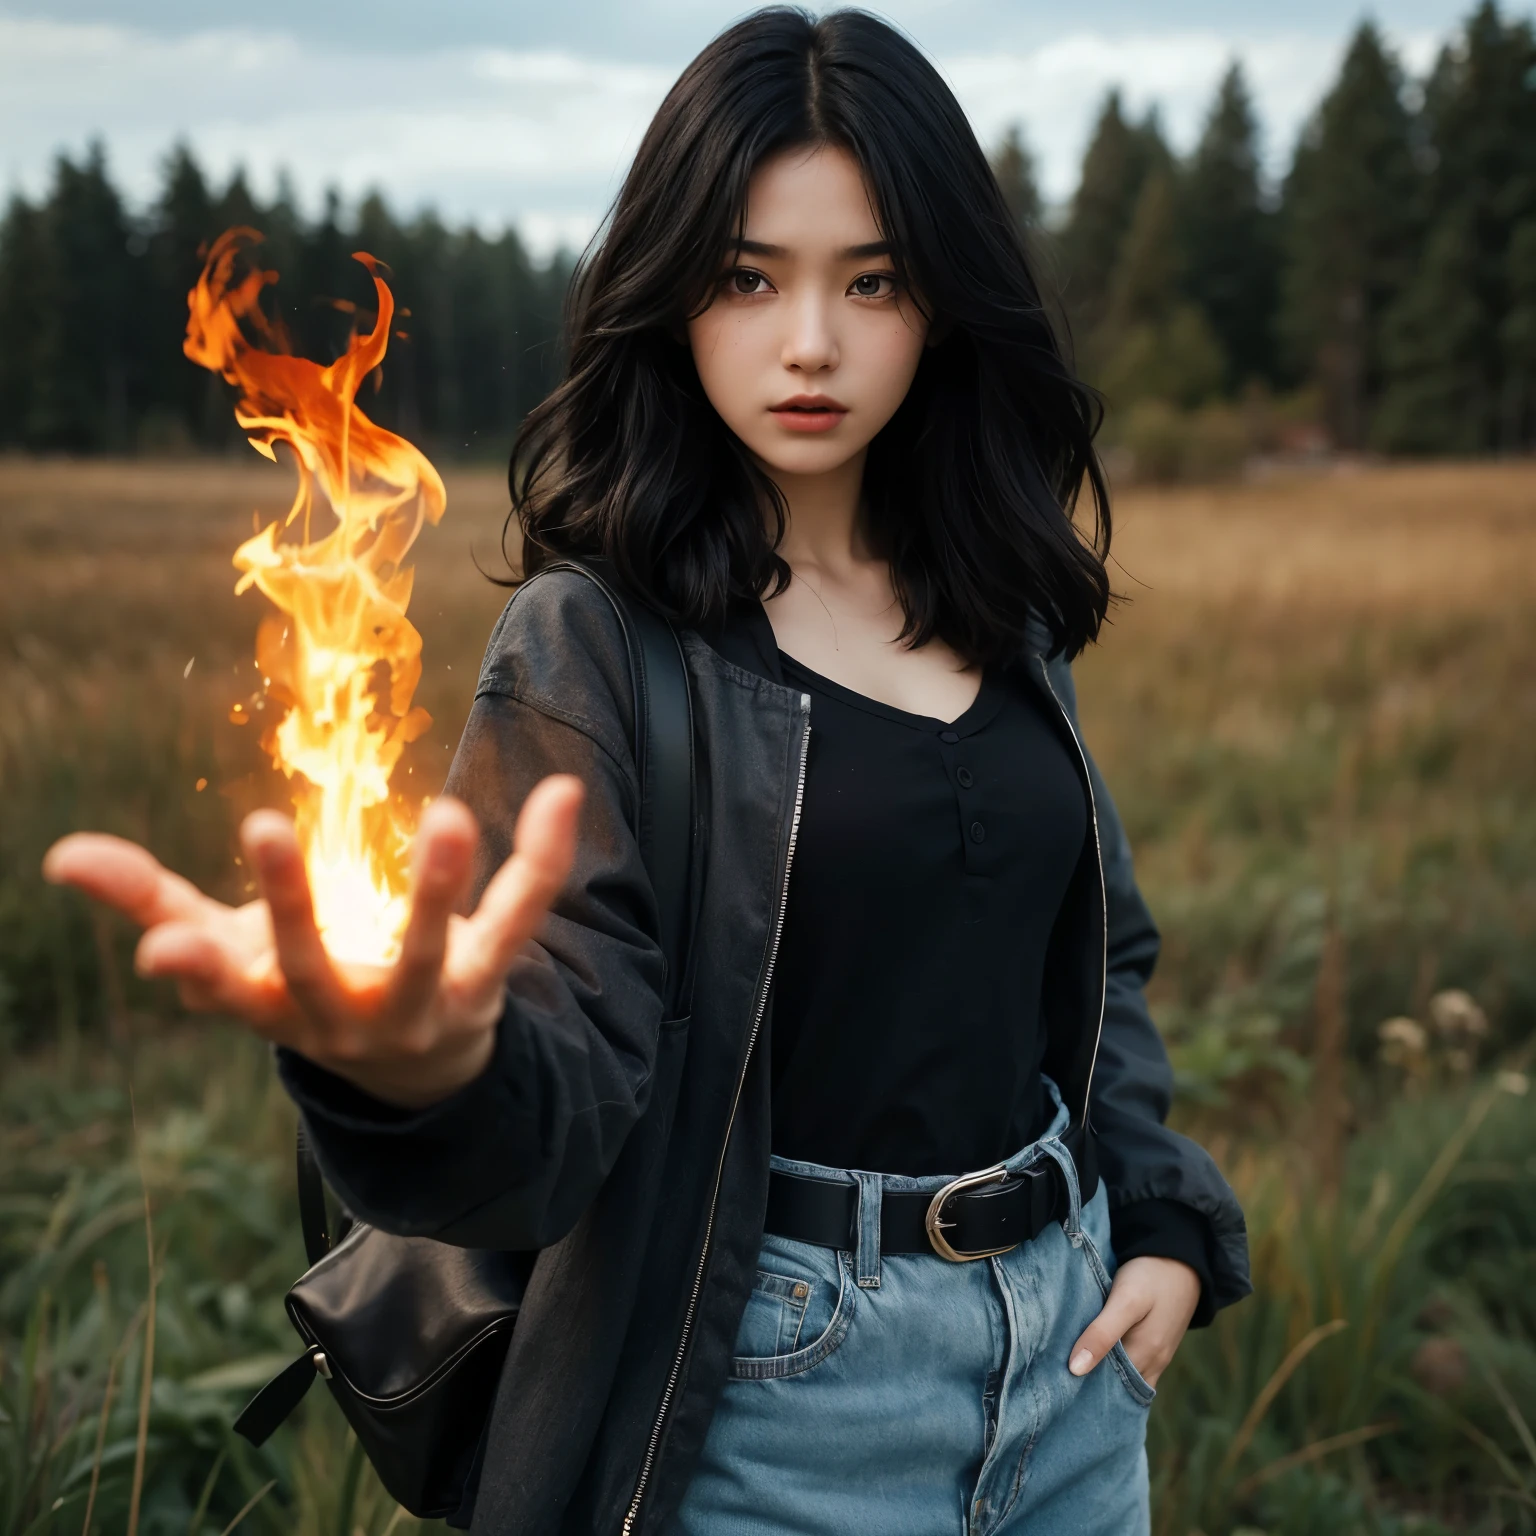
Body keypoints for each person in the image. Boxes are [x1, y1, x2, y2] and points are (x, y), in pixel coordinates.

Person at [44, 9, 1251, 1534]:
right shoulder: (597, 647)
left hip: (1074, 1380)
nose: (810, 340)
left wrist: (1160, 1215)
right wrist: (416, 1072)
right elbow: (558, 1081)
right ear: (673, 294)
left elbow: (1099, 958)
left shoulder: (1000, 606)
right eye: (749, 277)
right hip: (766, 1393)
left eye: (871, 279)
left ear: (943, 303)